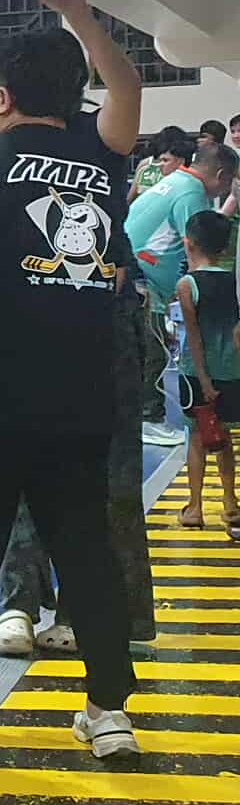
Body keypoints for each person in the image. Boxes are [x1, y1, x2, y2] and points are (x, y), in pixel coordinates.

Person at [0, 0, 143, 758]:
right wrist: (78, 12)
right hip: (83, 398)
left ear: (1, 98)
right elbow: (129, 84)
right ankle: (108, 710)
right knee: (86, 552)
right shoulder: (101, 158)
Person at [127, 135, 239, 448]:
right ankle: (150, 417)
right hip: (146, 281)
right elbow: (202, 246)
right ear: (221, 176)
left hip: (140, 273)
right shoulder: (191, 194)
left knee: (150, 347)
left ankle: (148, 414)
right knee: (154, 351)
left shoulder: (177, 182)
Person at [175, 210, 240, 532]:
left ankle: (195, 507)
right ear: (226, 248)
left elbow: (194, 337)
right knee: (224, 437)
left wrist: (203, 379)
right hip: (233, 372)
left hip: (197, 375)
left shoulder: (187, 285)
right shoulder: (235, 283)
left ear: (188, 243)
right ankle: (230, 503)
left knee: (197, 438)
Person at [129, 126, 192, 203]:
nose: (159, 164)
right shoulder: (146, 166)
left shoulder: (188, 179)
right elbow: (130, 199)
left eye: (165, 160)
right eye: (158, 159)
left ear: (181, 161)